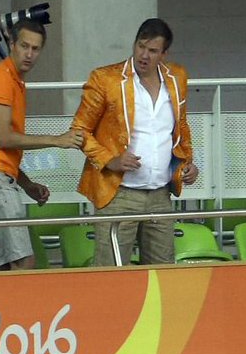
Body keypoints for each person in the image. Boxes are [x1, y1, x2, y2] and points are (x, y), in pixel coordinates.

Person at [0, 19, 83, 271]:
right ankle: (22, 311)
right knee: (24, 262)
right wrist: (57, 140)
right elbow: (3, 137)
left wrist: (26, 184)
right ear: (12, 44)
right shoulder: (1, 78)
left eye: (35, 49)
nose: (29, 54)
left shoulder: (12, 80)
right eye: (24, 46)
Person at [71, 18, 197, 266]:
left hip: (160, 194)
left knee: (163, 273)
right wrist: (110, 160)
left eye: (152, 51)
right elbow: (79, 130)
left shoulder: (177, 77)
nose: (144, 55)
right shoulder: (105, 79)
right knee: (111, 276)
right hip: (119, 193)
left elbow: (180, 126)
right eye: (141, 47)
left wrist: (187, 164)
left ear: (164, 54)